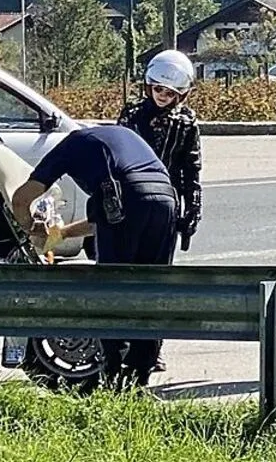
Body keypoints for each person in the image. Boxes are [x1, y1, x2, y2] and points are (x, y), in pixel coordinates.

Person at [11, 124, 178, 387]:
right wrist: (62, 234)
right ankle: (140, 376)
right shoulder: (117, 140)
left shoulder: (71, 145)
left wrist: (30, 228)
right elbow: (108, 217)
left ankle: (112, 374)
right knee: (152, 288)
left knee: (112, 290)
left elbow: (22, 199)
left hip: (127, 195)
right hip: (166, 199)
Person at [114, 49, 204, 372]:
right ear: (148, 85)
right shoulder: (131, 115)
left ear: (182, 94)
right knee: (124, 274)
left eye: (171, 93)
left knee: (158, 277)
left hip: (165, 207)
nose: (163, 97)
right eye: (158, 90)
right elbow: (116, 156)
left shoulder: (187, 122)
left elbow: (191, 169)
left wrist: (192, 207)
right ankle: (120, 344)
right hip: (129, 204)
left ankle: (152, 348)